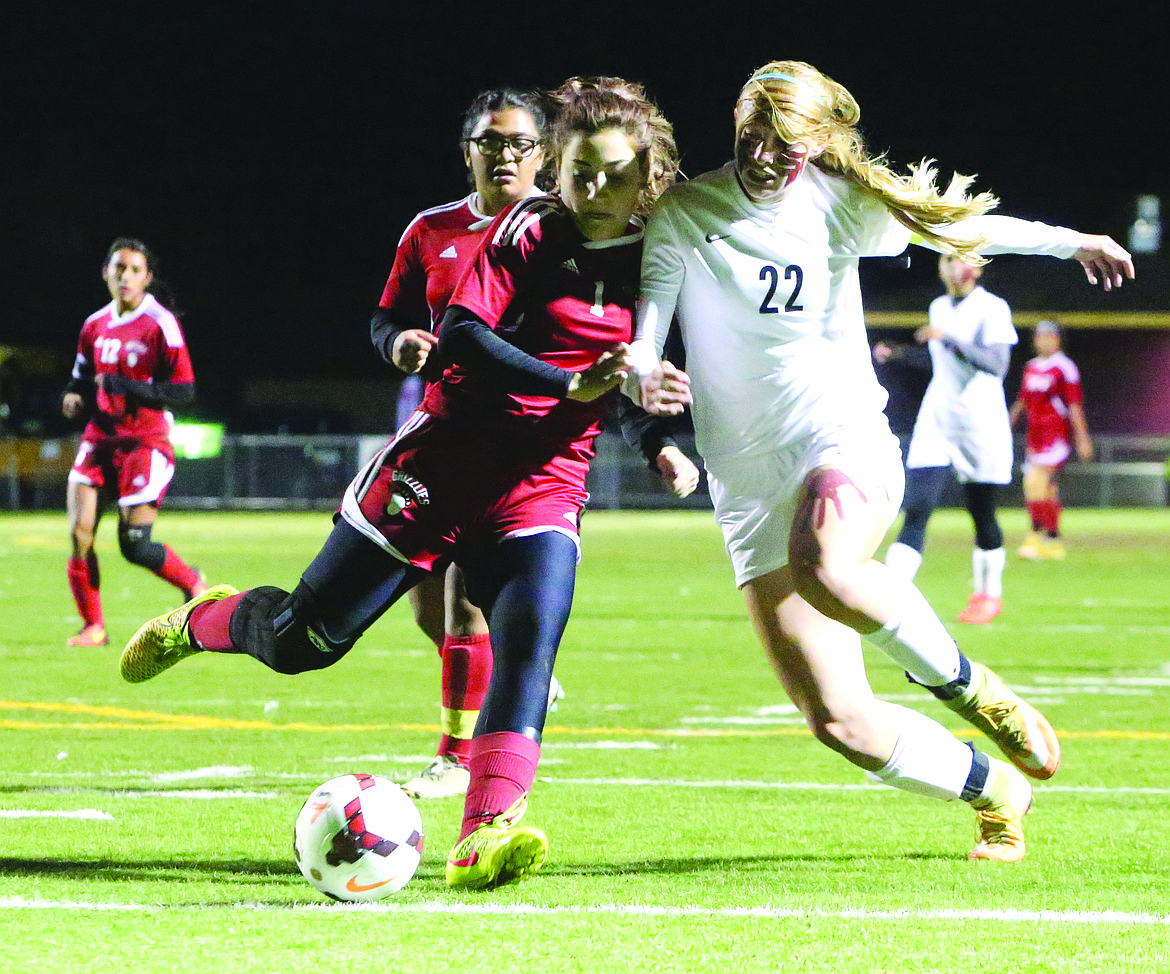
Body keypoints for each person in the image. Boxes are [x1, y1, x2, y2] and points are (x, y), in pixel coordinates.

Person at [119, 78, 690, 889]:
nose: (594, 190)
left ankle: (484, 832)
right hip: (437, 470)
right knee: (301, 643)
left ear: (649, 178)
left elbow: (624, 384)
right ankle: (204, 619)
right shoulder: (526, 230)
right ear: (556, 169)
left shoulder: (662, 259)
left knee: (528, 644)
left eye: (614, 175)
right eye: (579, 172)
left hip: (542, 488)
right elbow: (461, 333)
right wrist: (569, 387)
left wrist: (659, 439)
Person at [629, 60, 1133, 863]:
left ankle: (972, 689)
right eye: (751, 138)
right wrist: (640, 375)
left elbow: (961, 226)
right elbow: (646, 333)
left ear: (821, 142)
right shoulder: (688, 213)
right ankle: (997, 791)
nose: (764, 157)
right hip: (746, 483)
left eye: (786, 145)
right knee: (840, 723)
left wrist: (1072, 243)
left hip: (843, 439)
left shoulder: (840, 204)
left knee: (825, 563)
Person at [370, 88, 556, 801]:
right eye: (490, 142)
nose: (504, 155)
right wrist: (399, 345)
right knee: (424, 607)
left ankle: (455, 756)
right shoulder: (430, 229)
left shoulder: (563, 231)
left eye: (518, 143)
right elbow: (385, 316)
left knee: (462, 606)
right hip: (434, 433)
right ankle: (509, 674)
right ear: (468, 151)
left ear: (542, 153)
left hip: (518, 450)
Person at [61, 238, 208, 648]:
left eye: (134, 270)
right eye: (118, 268)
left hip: (144, 442)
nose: (125, 276)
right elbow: (81, 376)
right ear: (106, 273)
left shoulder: (160, 323)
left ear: (147, 277)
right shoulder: (94, 325)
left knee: (135, 545)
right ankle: (94, 626)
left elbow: (184, 391)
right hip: (100, 437)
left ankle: (194, 582)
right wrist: (73, 396)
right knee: (79, 533)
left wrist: (127, 386)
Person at [877, 255, 1017, 624]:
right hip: (938, 417)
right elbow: (942, 362)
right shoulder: (938, 306)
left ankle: (988, 595)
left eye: (961, 259)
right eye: (947, 259)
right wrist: (901, 353)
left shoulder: (993, 307)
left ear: (978, 268)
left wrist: (949, 339)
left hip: (981, 422)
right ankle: (892, 594)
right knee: (917, 506)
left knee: (981, 510)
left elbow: (996, 365)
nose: (954, 267)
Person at [1010, 319, 1092, 560]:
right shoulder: (1031, 367)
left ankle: (1035, 536)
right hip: (1034, 438)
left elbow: (1074, 406)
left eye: (1048, 336)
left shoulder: (1064, 367)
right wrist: (1009, 419)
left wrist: (1082, 438)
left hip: (1055, 437)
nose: (1043, 341)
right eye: (1039, 336)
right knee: (1047, 491)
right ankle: (1054, 540)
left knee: (1034, 484)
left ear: (1056, 339)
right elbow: (1023, 400)